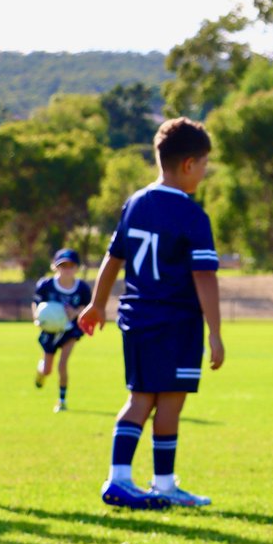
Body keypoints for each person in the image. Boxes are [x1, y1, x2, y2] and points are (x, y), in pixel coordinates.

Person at [78, 117, 224, 509]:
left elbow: (113, 257)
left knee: (140, 396)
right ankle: (157, 484)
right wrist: (215, 332)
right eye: (204, 164)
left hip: (136, 318)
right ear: (189, 164)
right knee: (170, 400)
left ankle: (124, 478)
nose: (205, 172)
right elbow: (204, 277)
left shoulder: (136, 203)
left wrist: (97, 304)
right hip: (176, 323)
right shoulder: (193, 216)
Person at [33, 248, 91, 412]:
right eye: (63, 265)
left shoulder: (82, 288)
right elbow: (36, 303)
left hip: (70, 329)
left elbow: (87, 307)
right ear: (55, 266)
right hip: (50, 330)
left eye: (70, 265)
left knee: (63, 363)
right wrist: (36, 317)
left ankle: (62, 400)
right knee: (47, 370)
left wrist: (75, 312)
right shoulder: (46, 285)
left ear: (77, 267)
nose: (67, 269)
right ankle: (41, 371)